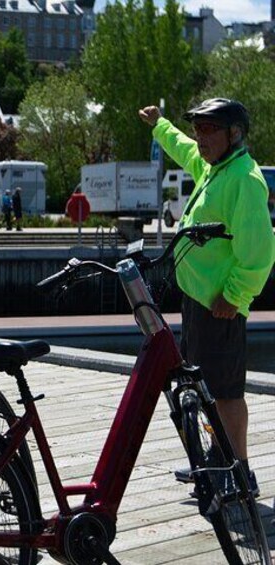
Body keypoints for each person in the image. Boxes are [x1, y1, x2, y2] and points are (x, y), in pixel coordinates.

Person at [139, 99, 275, 495]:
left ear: (234, 134)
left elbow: (260, 253)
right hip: (199, 300)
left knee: (226, 392)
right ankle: (216, 464)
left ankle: (240, 472)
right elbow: (183, 148)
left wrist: (233, 296)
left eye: (209, 129)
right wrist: (160, 124)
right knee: (204, 388)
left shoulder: (243, 179)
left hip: (221, 307)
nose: (200, 137)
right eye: (198, 128)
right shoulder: (215, 169)